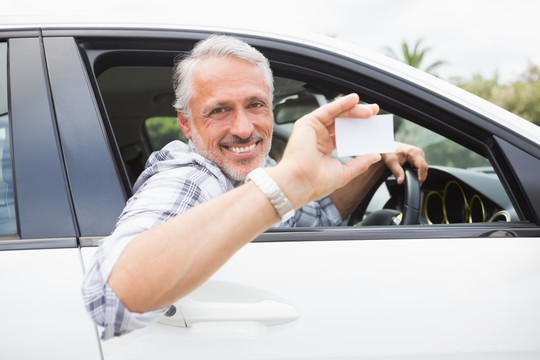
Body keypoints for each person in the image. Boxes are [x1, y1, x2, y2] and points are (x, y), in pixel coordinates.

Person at [82, 35, 428, 340]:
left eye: (255, 104)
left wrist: (376, 160)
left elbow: (320, 215)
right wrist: (284, 185)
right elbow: (110, 298)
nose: (244, 128)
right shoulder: (194, 177)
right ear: (186, 123)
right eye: (219, 110)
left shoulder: (257, 171)